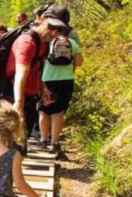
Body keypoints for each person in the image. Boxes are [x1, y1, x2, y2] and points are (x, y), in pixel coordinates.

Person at [0, 5, 69, 152]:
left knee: (21, 143)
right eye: (52, 27)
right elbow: (21, 73)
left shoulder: (42, 43)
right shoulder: (27, 42)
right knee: (13, 145)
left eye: (60, 30)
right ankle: (8, 173)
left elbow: (35, 69)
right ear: (42, 19)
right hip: (13, 98)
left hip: (29, 98)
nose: (54, 32)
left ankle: (14, 171)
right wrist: (18, 104)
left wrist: (42, 88)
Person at [40, 18, 84, 151]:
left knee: (44, 110)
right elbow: (80, 61)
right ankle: (54, 141)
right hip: (66, 80)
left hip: (47, 79)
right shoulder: (71, 43)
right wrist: (71, 68)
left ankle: (43, 139)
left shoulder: (46, 43)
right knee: (59, 112)